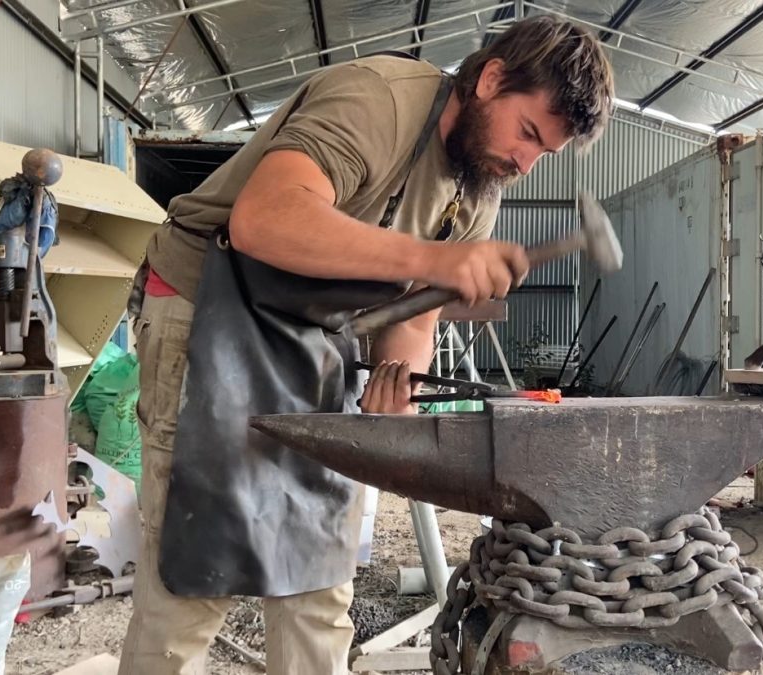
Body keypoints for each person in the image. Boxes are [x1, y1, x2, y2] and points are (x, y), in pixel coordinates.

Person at [118, 15, 614, 675]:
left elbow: (413, 311)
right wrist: (432, 259)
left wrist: (396, 384)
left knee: (318, 575)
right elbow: (267, 216)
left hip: (318, 338)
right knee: (194, 573)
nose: (526, 161)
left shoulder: (478, 184)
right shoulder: (377, 101)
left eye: (543, 152)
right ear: (492, 79)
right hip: (208, 307)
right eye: (527, 132)